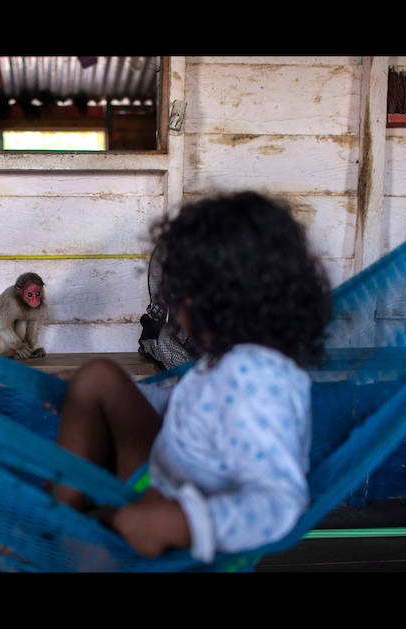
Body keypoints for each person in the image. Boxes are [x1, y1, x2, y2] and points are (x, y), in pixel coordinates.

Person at [52, 191, 332, 563]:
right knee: (98, 378)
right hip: (167, 473)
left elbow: (280, 503)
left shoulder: (256, 380)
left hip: (178, 509)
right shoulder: (233, 358)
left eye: (176, 291)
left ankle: (60, 532)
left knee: (102, 535)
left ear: (208, 298)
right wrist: (131, 397)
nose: (170, 302)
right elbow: (189, 410)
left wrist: (180, 523)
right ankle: (59, 521)